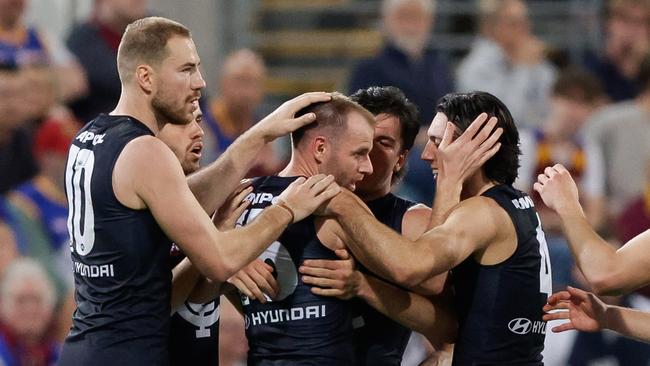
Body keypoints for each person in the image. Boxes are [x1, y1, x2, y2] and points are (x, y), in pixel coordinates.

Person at [57, 16, 338, 365]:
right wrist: (286, 209)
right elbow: (221, 261)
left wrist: (259, 134)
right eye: (186, 69)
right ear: (146, 77)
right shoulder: (147, 151)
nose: (200, 83)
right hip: (128, 354)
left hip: (88, 347)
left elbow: (173, 200)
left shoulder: (91, 137)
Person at [319, 91, 553, 365]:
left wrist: (342, 202)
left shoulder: (481, 214)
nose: (428, 154)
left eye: (438, 143)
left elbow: (415, 269)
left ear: (475, 148)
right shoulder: (513, 203)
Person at [298, 86, 453, 365]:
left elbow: (449, 333)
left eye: (382, 142)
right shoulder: (300, 201)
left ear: (401, 159)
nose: (367, 150)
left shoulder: (414, 221)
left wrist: (364, 286)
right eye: (359, 139)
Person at [235, 92, 377, 365]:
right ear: (320, 148)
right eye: (360, 153)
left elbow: (196, 264)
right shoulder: (337, 202)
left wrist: (226, 267)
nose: (368, 167)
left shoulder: (241, 196)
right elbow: (412, 271)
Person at [457, 0, 556, 129]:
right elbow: (506, 119)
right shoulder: (474, 69)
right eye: (513, 23)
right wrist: (523, 67)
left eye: (525, 22)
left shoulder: (531, 58)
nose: (524, 29)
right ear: (489, 28)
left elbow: (552, 107)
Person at [0, 258, 60, 365]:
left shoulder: (63, 356)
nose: (30, 310)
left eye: (37, 300)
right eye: (21, 300)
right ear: (2, 305)